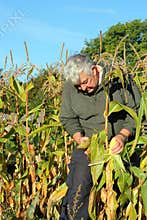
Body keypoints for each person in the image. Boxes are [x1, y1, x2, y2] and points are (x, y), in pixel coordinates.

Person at [59, 53, 141, 220]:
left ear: (94, 70)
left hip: (122, 144)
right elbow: (67, 118)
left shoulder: (120, 80)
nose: (82, 89)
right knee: (79, 183)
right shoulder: (71, 86)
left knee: (126, 187)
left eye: (85, 82)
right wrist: (80, 139)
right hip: (89, 145)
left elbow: (137, 113)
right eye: (78, 86)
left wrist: (122, 137)